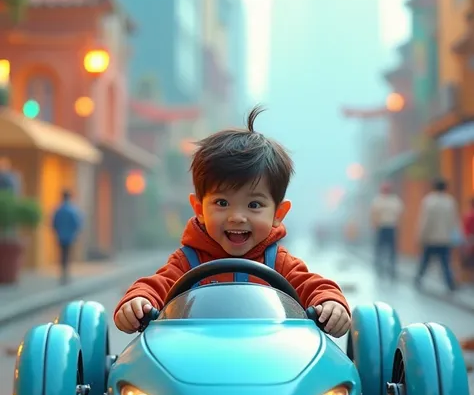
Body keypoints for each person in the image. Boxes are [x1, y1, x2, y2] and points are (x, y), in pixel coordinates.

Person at [114, 106, 351, 337]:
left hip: (268, 362)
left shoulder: (279, 263)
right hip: (197, 358)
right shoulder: (187, 262)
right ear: (199, 208)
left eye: (254, 205)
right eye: (222, 203)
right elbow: (156, 285)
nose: (237, 217)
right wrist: (138, 301)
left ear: (278, 214)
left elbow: (315, 286)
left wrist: (330, 303)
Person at [415, 178, 460, 291]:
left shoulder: (429, 201)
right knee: (445, 262)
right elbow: (454, 221)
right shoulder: (450, 201)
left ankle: (418, 279)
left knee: (425, 260)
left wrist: (421, 236)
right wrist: (455, 236)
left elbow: (425, 221)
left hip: (431, 238)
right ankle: (450, 283)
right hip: (445, 238)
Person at [370, 182, 403, 279]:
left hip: (389, 226)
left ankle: (390, 268)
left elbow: (374, 214)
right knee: (383, 249)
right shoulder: (390, 200)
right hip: (384, 227)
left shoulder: (389, 200)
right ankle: (382, 267)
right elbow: (374, 214)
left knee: (389, 250)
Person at [52, 190, 84, 284]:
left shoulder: (59, 210)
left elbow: (54, 223)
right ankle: (66, 274)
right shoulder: (72, 210)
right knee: (67, 255)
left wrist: (57, 231)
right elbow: (77, 223)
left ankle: (63, 274)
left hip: (60, 236)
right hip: (70, 237)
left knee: (62, 255)